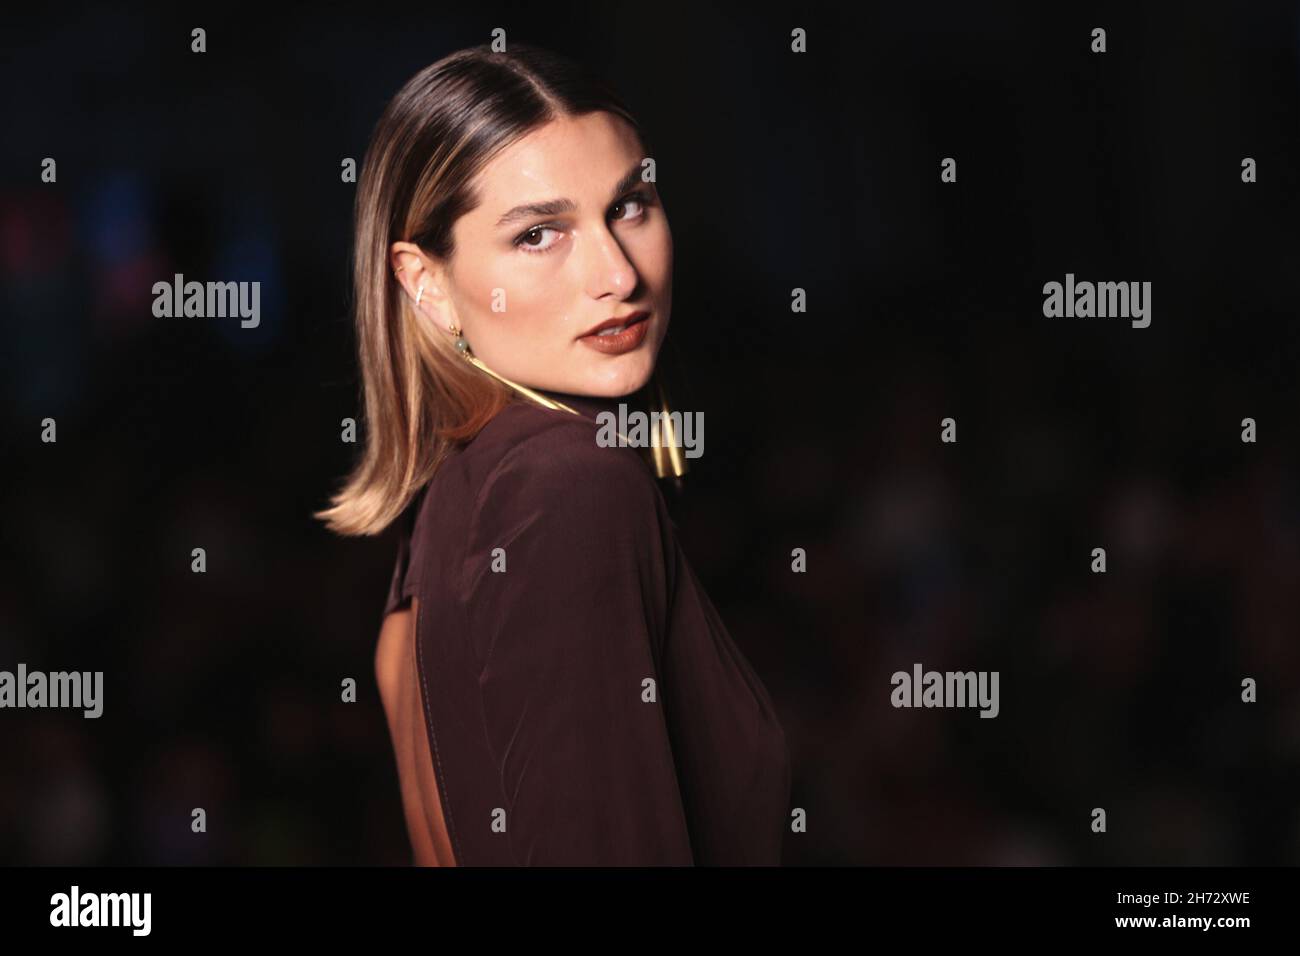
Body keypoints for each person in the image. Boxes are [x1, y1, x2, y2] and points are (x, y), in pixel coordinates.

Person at [317, 42, 790, 865]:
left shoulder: (456, 501)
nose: (616, 273)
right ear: (425, 281)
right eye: (539, 234)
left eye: (631, 205)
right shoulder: (570, 490)